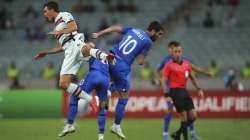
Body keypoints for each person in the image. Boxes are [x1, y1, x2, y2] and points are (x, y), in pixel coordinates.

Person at [34, 1, 115, 107]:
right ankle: (91, 99)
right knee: (63, 84)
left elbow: (74, 27)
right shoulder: (56, 25)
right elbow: (62, 46)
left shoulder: (64, 15)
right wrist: (45, 52)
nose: (44, 14)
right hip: (69, 51)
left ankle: (106, 57)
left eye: (45, 11)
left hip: (74, 43)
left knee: (84, 49)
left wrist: (60, 32)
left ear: (52, 10)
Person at [92, 21, 164, 139]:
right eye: (159, 34)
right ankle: (116, 125)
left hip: (109, 57)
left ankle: (108, 91)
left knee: (120, 81)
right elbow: (140, 62)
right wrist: (144, 57)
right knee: (124, 96)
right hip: (121, 65)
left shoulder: (134, 29)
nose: (159, 37)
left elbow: (115, 28)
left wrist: (100, 33)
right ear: (152, 31)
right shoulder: (148, 42)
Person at [154, 41, 211, 140]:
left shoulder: (184, 60)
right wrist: (160, 82)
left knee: (190, 114)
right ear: (169, 50)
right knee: (171, 111)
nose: (174, 52)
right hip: (171, 90)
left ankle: (190, 133)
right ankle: (165, 134)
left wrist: (204, 72)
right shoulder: (167, 61)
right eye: (172, 49)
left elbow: (192, 68)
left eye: (177, 50)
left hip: (182, 90)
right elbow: (157, 71)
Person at [58, 56, 110, 140]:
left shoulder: (92, 52)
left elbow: (79, 56)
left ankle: (70, 125)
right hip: (105, 79)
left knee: (75, 95)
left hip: (94, 75)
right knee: (102, 107)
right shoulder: (108, 59)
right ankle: (101, 136)